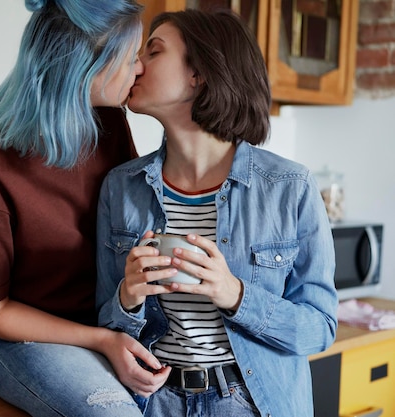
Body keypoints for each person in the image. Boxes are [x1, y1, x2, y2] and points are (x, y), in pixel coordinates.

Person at [96, 8, 338, 417]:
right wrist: (128, 296)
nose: (136, 65)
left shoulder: (289, 187)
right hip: (153, 403)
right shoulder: (121, 187)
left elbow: (319, 329)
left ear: (200, 74)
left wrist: (235, 294)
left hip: (252, 403)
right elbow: (104, 322)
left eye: (153, 52)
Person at [0, 1, 170, 416]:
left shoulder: (110, 125)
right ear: (85, 66)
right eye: (129, 57)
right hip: (10, 341)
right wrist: (101, 340)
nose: (139, 69)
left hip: (103, 323)